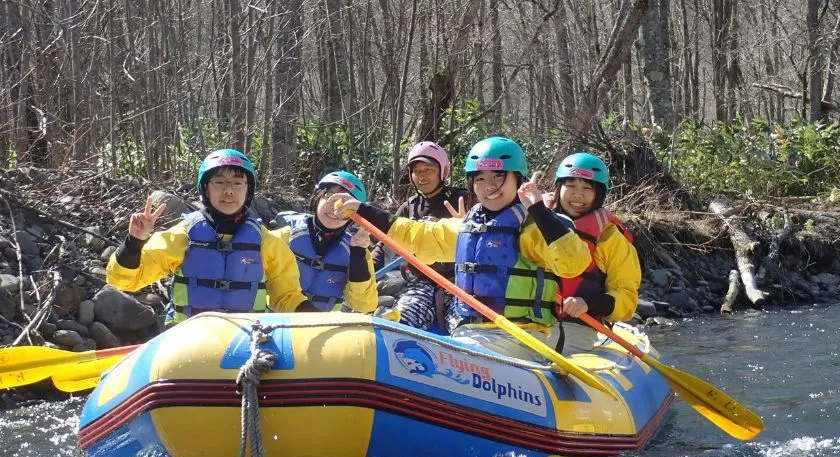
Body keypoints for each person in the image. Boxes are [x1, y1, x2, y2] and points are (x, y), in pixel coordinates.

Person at [330, 136, 592, 362]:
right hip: (470, 333)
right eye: (480, 178)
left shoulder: (534, 226)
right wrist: (361, 208)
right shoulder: (466, 226)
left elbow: (572, 264)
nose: (489, 187)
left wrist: (538, 210)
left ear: (517, 179)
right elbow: (416, 236)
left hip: (520, 337)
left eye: (499, 176)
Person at [106, 148, 313, 326]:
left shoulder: (266, 242)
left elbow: (287, 297)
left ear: (248, 189)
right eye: (220, 182)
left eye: (237, 183)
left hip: (244, 338)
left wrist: (320, 320)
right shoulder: (182, 235)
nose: (229, 191)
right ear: (206, 188)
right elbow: (122, 282)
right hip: (189, 339)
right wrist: (134, 242)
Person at [370, 141, 473, 332]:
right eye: (417, 171)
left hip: (460, 284)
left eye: (429, 169)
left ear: (443, 172)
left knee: (468, 329)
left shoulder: (464, 199)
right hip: (421, 284)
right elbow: (385, 246)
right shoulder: (409, 207)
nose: (422, 175)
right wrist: (367, 274)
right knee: (398, 327)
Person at [544, 153, 641, 355]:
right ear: (558, 188)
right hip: (527, 323)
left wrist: (588, 304)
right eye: (570, 186)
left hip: (576, 328)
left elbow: (626, 296)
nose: (577, 195)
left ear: (599, 194)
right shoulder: (534, 220)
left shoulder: (611, 239)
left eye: (587, 188)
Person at [272, 171, 378, 313]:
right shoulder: (285, 236)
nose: (336, 209)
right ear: (318, 198)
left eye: (346, 205)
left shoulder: (354, 250)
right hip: (276, 324)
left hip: (322, 327)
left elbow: (364, 304)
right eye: (331, 198)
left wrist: (358, 252)